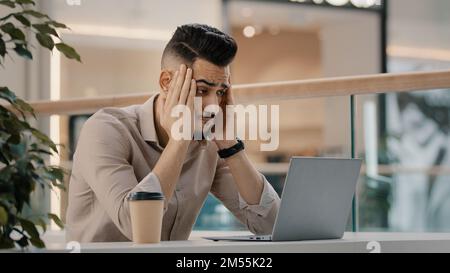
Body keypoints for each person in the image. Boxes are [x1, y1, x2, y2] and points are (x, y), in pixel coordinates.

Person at [66, 24, 280, 242]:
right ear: (167, 82)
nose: (213, 105)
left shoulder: (208, 145)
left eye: (221, 92)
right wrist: (179, 141)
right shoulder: (105, 130)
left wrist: (230, 145)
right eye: (202, 90)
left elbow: (271, 225)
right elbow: (137, 227)